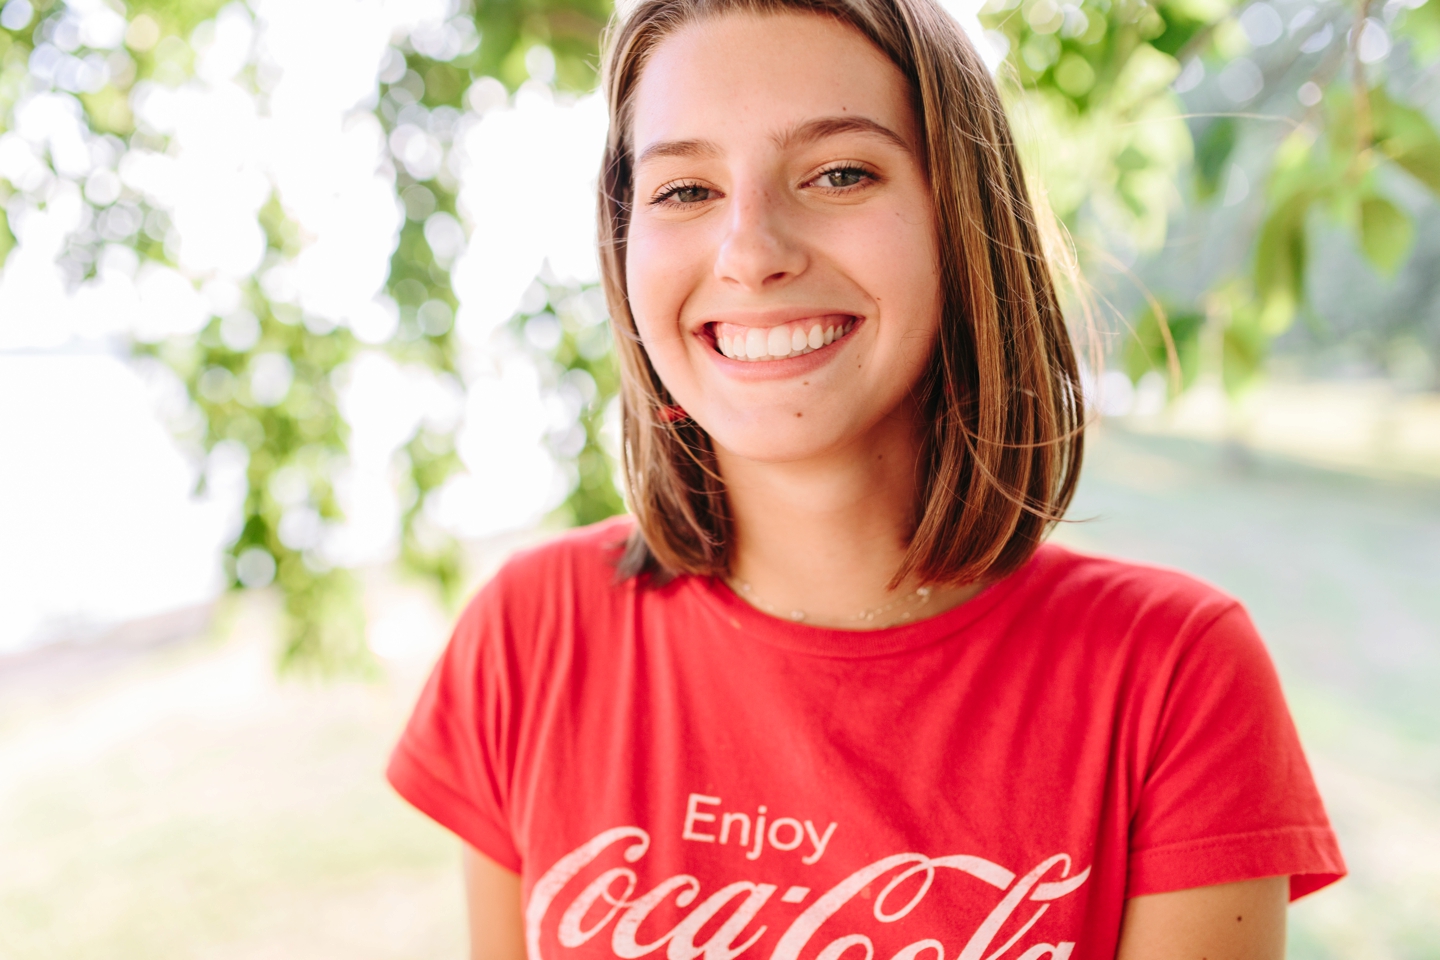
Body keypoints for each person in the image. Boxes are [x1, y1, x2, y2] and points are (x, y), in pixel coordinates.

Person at [386, 0, 1346, 954]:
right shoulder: (530, 636)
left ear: (958, 218)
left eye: (840, 173)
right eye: (684, 190)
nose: (752, 252)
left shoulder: (1174, 675)